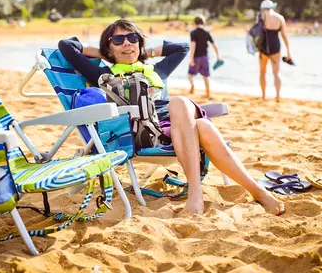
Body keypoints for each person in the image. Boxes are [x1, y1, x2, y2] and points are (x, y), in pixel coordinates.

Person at [59, 19, 284, 216]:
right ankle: (231, 192)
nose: (126, 43)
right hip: (142, 132)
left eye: (132, 38)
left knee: (183, 107)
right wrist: (105, 53)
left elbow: (182, 47)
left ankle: (245, 192)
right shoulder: (101, 75)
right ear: (109, 46)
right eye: (118, 40)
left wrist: (142, 52)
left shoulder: (157, 71)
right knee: (200, 123)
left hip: (175, 126)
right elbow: (66, 46)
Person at [258, 0, 292, 102]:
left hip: (263, 48)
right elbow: (284, 36)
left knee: (262, 72)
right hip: (276, 47)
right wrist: (289, 52)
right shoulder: (280, 18)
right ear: (272, 7)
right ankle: (277, 96)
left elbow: (256, 33)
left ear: (262, 8)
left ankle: (264, 96)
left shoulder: (261, 17)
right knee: (276, 72)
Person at [188, 16, 220, 97]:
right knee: (205, 76)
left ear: (195, 23)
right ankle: (208, 93)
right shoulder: (207, 32)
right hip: (205, 57)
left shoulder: (193, 32)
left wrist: (191, 58)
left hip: (196, 57)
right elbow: (214, 45)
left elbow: (193, 45)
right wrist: (218, 56)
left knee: (190, 75)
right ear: (203, 23)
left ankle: (192, 85)